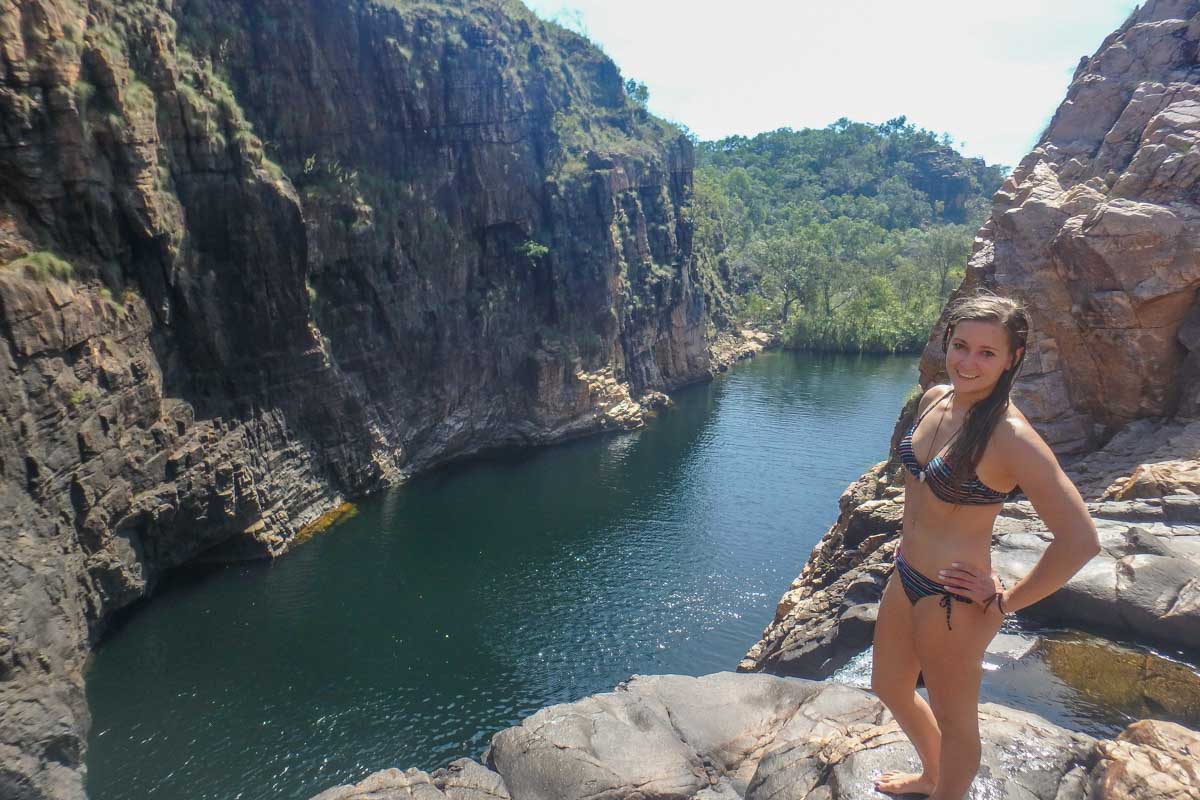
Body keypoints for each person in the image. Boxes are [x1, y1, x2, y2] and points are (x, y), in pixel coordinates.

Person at [869, 291, 1101, 800]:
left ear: (1012, 358)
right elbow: (919, 493)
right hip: (905, 575)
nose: (968, 362)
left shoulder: (1010, 436)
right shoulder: (936, 398)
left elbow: (1080, 540)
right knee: (888, 687)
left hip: (954, 600)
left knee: (958, 724)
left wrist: (1004, 602)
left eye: (987, 353)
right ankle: (931, 777)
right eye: (960, 345)